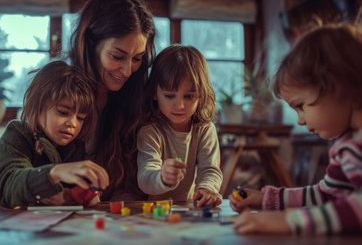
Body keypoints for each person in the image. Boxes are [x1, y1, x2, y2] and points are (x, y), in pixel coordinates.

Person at [229, 23, 362, 235]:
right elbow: (326, 195)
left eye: (301, 106)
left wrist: (291, 221)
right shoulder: (347, 142)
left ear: (336, 86)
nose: (300, 120)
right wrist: (267, 198)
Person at [0, 61, 109, 208]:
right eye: (63, 112)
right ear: (38, 106)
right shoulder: (18, 133)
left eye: (80, 118)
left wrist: (86, 194)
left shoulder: (74, 145)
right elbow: (9, 186)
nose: (73, 123)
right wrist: (53, 173)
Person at [68, 0, 156, 200]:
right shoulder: (57, 94)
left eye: (137, 59)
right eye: (117, 56)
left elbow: (132, 185)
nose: (127, 71)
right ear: (90, 45)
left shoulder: (135, 101)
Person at [136, 45, 223, 207]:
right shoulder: (150, 132)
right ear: (155, 93)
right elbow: (145, 178)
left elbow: (210, 170)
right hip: (155, 214)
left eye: (189, 96)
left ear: (201, 95)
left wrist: (207, 189)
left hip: (189, 210)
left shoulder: (205, 129)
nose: (180, 105)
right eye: (169, 96)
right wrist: (162, 177)